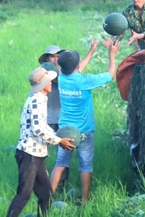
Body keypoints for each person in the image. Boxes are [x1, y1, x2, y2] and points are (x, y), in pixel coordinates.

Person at [50, 38, 120, 203]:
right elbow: (111, 75)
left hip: (65, 130)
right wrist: (112, 54)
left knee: (60, 164)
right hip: (84, 132)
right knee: (86, 166)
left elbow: (77, 68)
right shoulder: (84, 81)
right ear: (76, 67)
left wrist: (92, 50)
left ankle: (48, 198)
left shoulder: (61, 78)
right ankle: (85, 200)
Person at [6, 67, 76, 217]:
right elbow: (38, 129)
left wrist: (58, 137)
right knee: (24, 193)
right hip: (29, 154)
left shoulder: (41, 98)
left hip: (37, 155)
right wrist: (58, 141)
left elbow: (43, 126)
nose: (51, 83)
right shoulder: (36, 100)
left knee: (46, 195)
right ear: (43, 84)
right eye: (49, 81)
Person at [38, 46, 63, 130]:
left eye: (58, 56)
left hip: (61, 114)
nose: (55, 59)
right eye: (52, 56)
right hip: (48, 115)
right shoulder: (43, 71)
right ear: (47, 58)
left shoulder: (62, 72)